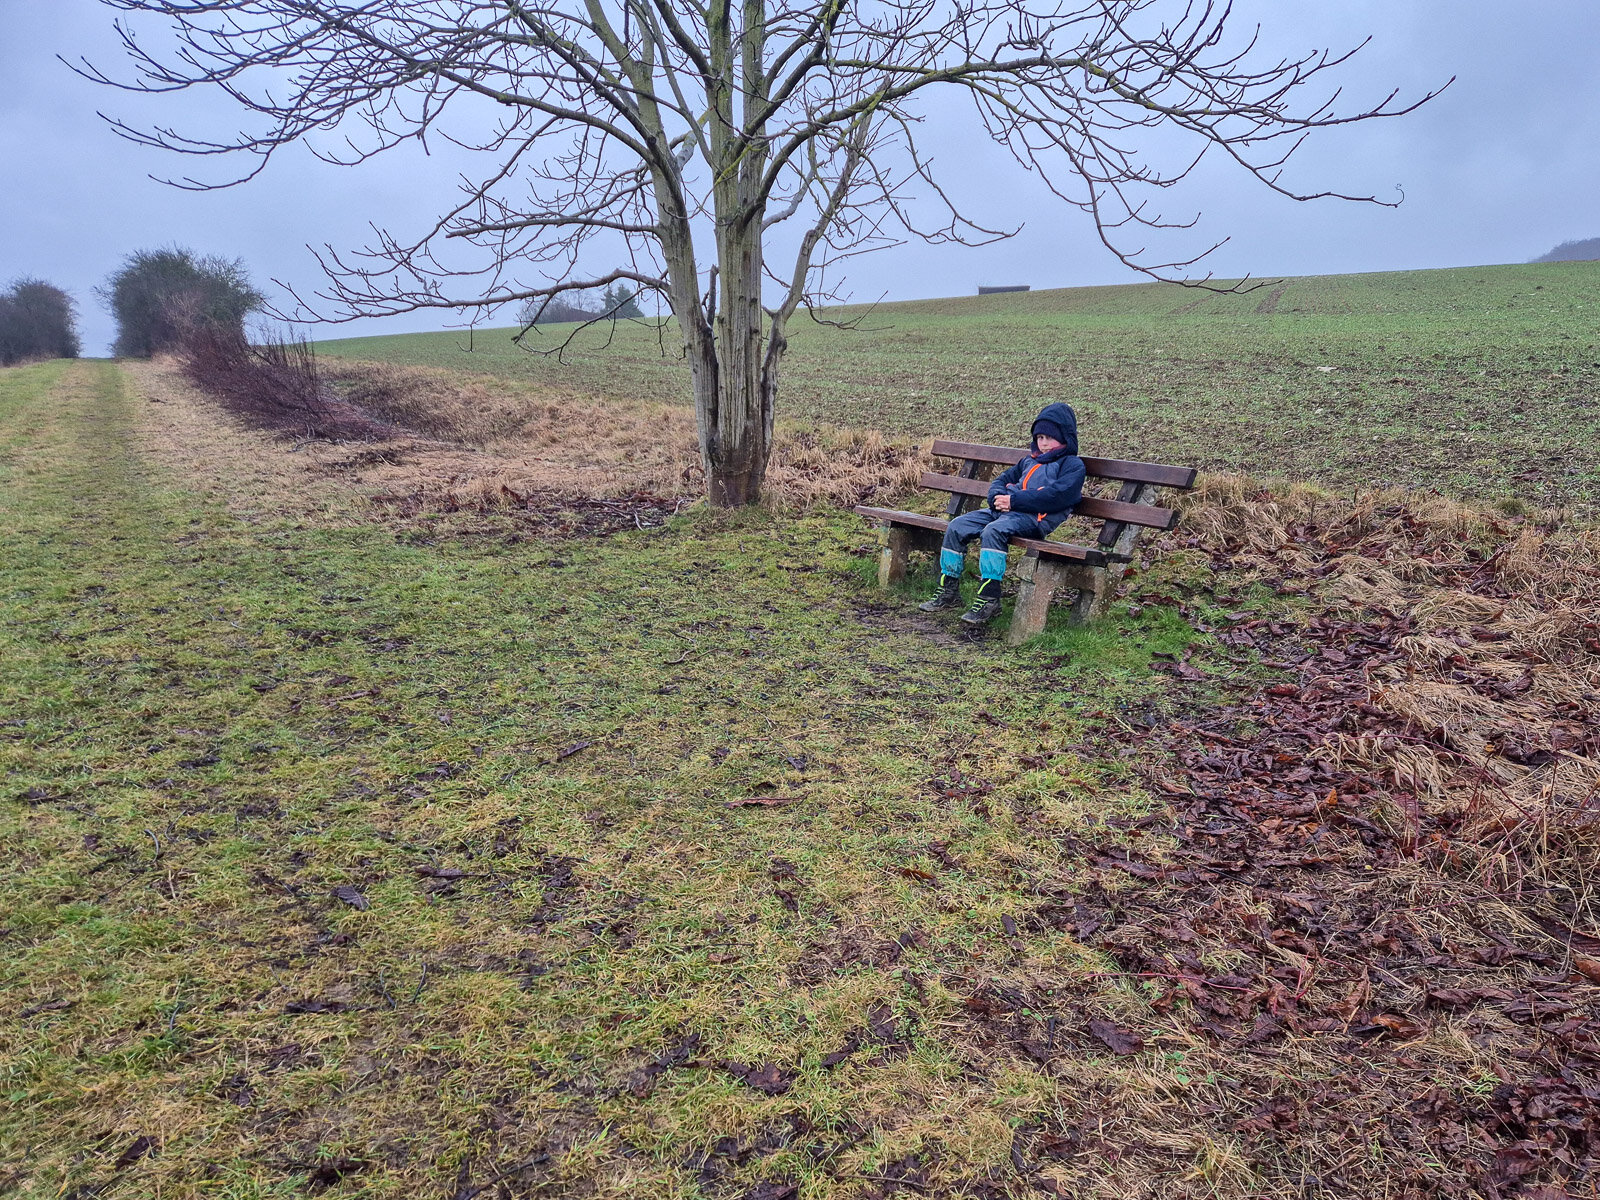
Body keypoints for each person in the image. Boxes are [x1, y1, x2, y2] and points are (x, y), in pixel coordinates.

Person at [921, 402, 1087, 625]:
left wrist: (1014, 499)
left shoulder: (1072, 465)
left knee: (993, 531)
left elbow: (1057, 496)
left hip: (1034, 520)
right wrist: (997, 498)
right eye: (1039, 438)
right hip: (1004, 513)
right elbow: (1001, 480)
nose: (1044, 443)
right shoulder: (1029, 460)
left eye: (1049, 437)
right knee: (958, 525)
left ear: (1065, 437)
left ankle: (990, 598)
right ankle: (948, 591)